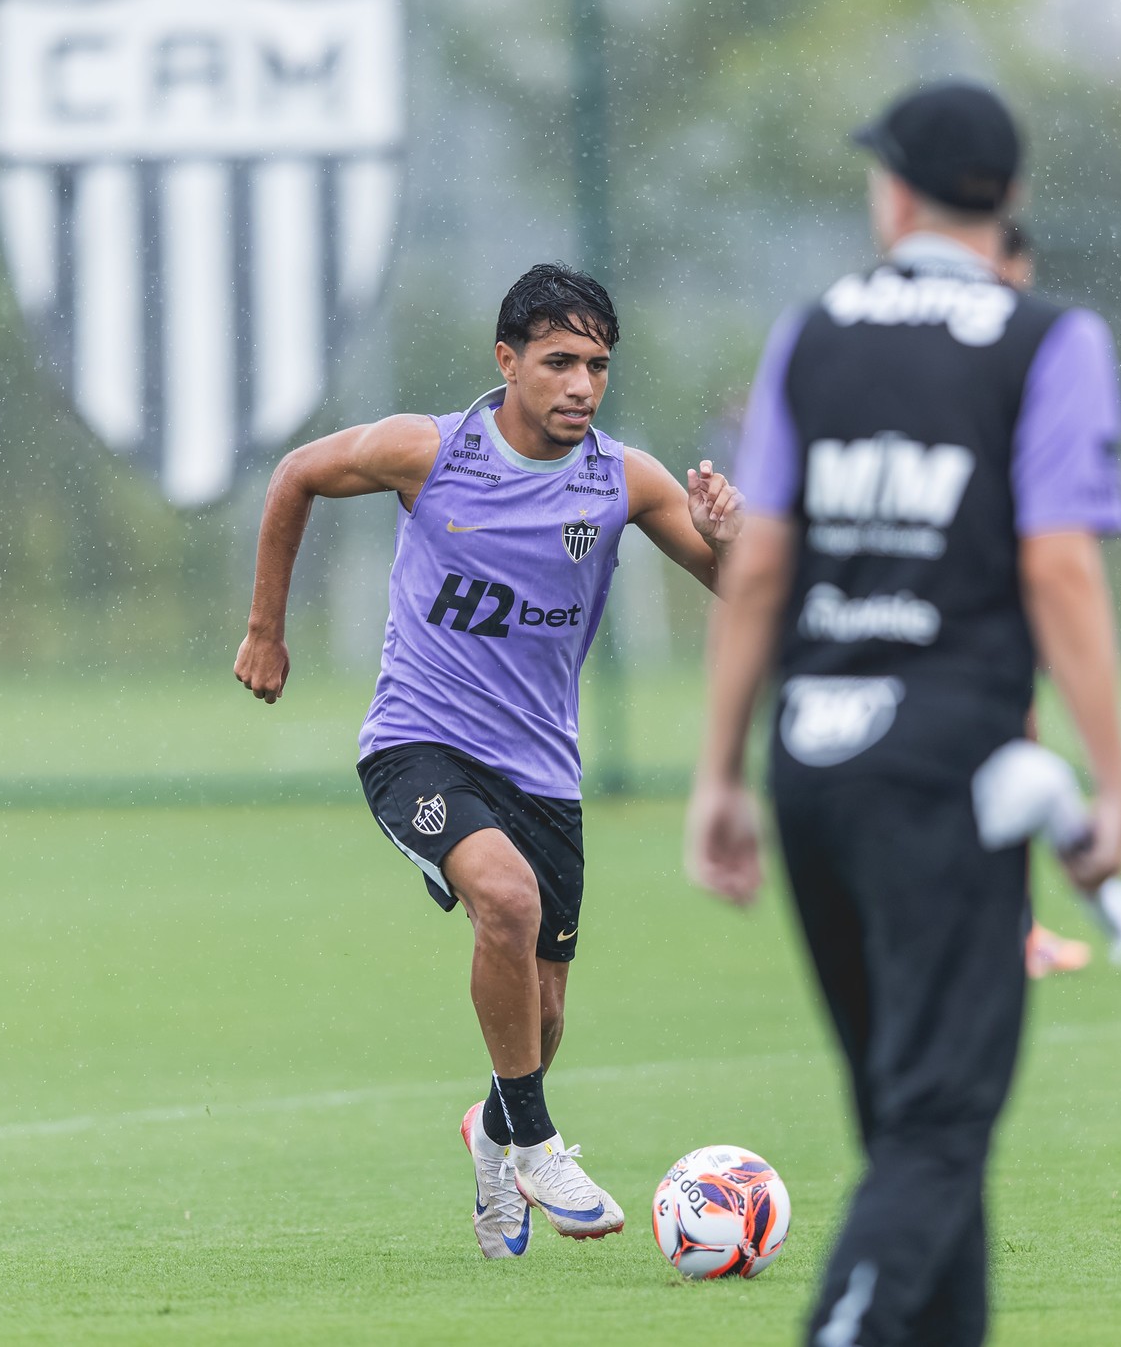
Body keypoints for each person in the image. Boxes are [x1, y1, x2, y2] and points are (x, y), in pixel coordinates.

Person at [686, 82, 1121, 1345]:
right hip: (946, 772)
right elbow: (1056, 567)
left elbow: (760, 568)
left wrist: (718, 773)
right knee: (939, 1124)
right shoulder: (1045, 339)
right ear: (1011, 203)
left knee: (910, 1127)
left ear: (892, 195)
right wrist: (1111, 778)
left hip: (813, 763)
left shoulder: (811, 333)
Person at [236, 263, 743, 1259]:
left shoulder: (622, 479)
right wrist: (265, 629)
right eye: (558, 362)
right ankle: (538, 1143)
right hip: (416, 746)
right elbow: (294, 472)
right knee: (502, 904)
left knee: (542, 1008)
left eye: (597, 365)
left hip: (543, 774)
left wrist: (732, 539)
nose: (580, 386)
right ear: (506, 361)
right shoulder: (425, 451)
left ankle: (493, 1129)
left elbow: (743, 587)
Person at [997, 217, 1095, 982]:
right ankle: (1006, 930)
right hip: (970, 605)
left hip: (982, 597)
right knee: (1006, 753)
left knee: (1013, 749)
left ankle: (1010, 926)